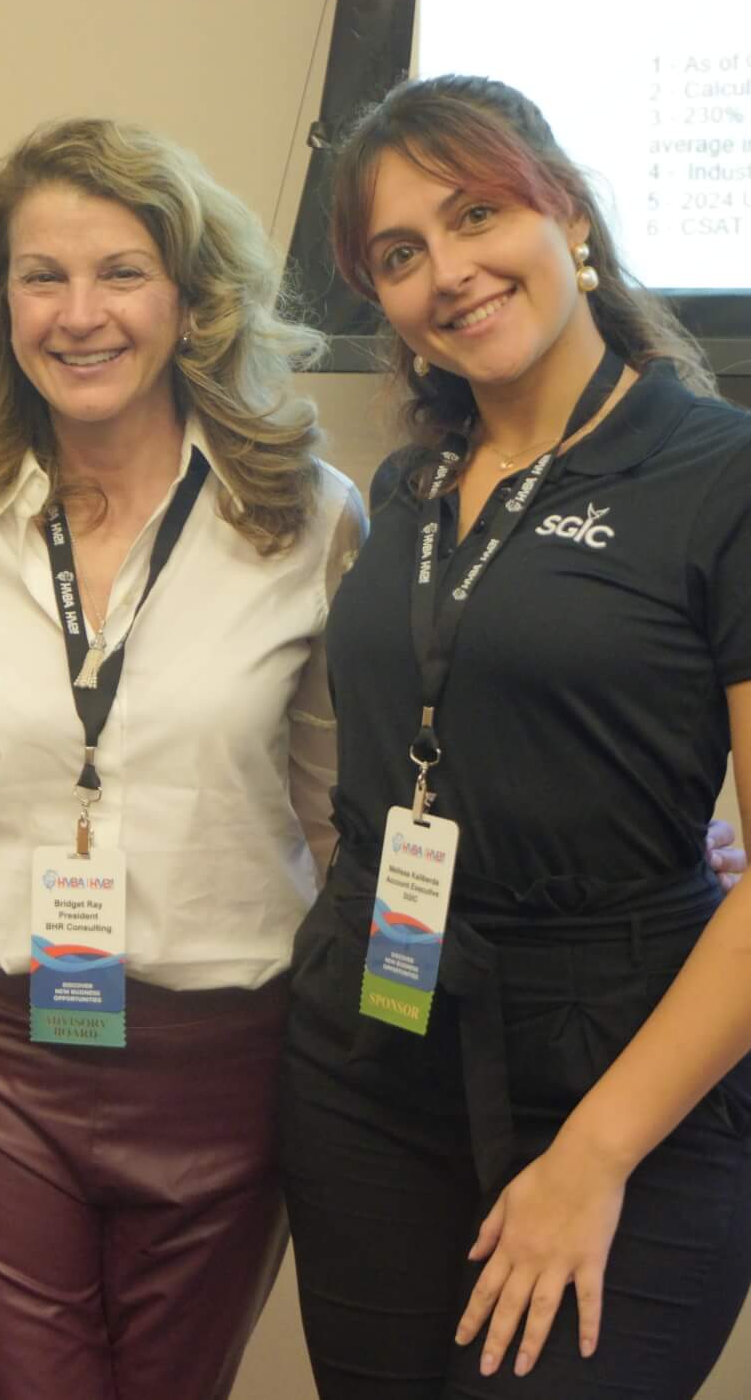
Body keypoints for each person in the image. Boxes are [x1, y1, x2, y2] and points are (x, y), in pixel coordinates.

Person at [0, 118, 359, 1398]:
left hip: (228, 1069)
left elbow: (342, 825)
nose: (79, 314)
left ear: (188, 296)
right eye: (41, 276)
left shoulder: (307, 519)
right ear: (0, 302)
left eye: (121, 272)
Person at [278, 74, 751, 1396]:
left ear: (569, 215)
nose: (448, 271)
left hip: (620, 1072)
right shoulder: (407, 486)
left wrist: (592, 1158)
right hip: (370, 1045)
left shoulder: (721, 476)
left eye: (476, 214)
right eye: (398, 254)